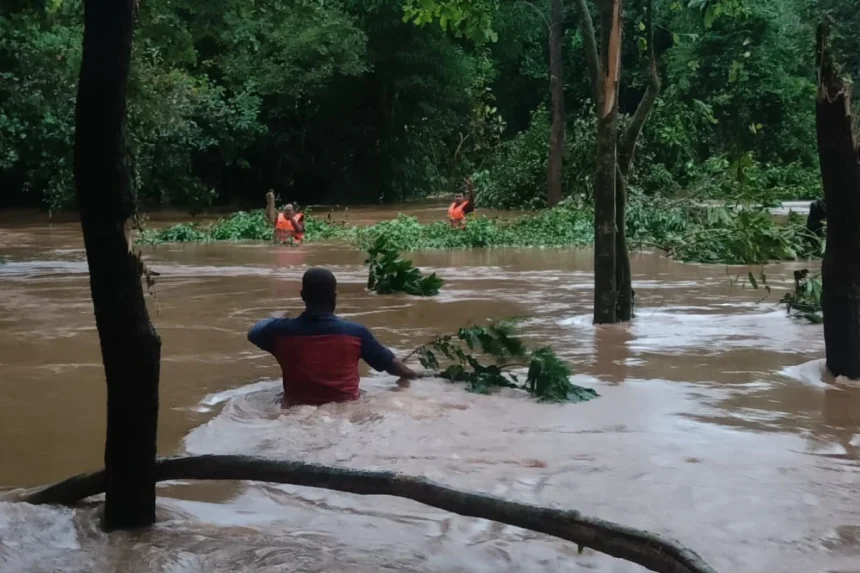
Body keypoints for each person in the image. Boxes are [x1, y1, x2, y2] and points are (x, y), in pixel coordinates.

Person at [247, 268, 419, 406]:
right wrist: (418, 376)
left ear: (303, 296)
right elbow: (392, 366)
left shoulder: (279, 333)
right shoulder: (356, 333)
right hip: (345, 410)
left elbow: (254, 333)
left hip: (295, 408)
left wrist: (277, 318)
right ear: (334, 297)